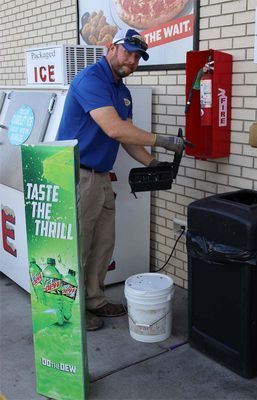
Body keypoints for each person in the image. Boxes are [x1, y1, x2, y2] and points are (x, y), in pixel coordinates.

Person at [57, 28, 185, 331]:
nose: (132, 60)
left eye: (138, 56)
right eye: (128, 52)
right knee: (77, 247)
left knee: (103, 244)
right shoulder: (91, 79)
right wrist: (164, 139)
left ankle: (95, 300)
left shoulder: (122, 91)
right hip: (78, 175)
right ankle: (70, 311)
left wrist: (154, 162)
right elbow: (114, 129)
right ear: (110, 47)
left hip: (100, 177)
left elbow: (127, 139)